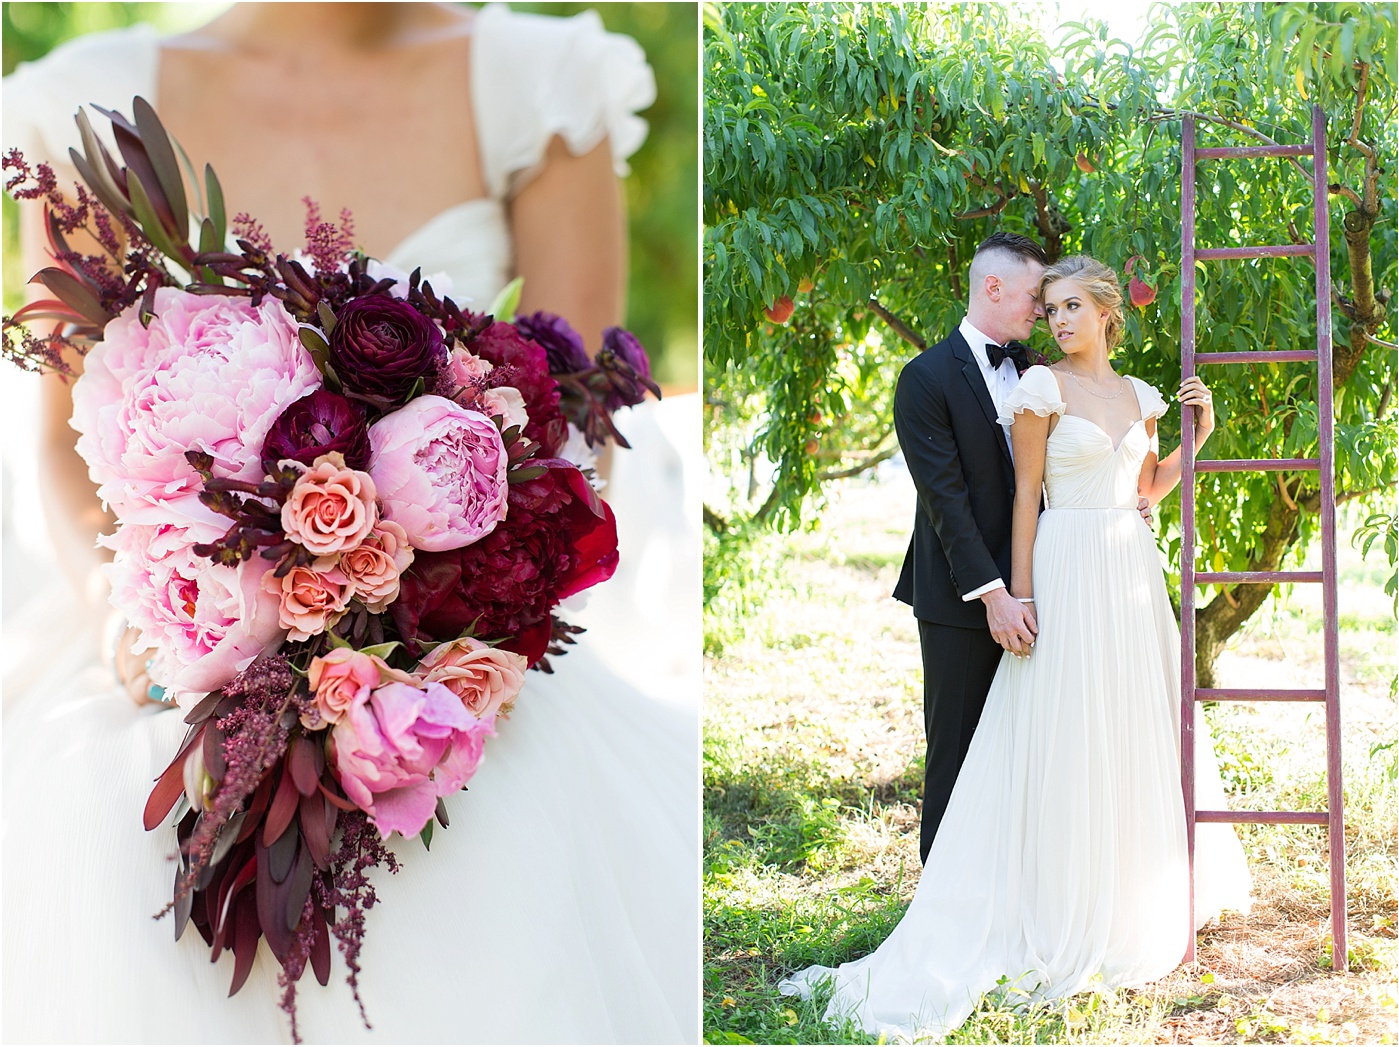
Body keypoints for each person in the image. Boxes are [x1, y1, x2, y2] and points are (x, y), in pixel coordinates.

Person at [2, 4, 698, 1042]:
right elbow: (62, 435)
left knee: (498, 836)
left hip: (449, 638)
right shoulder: (82, 104)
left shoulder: (543, 82)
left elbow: (570, 423)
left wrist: (411, 609)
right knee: (97, 833)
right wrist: (126, 611)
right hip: (156, 630)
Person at [780, 254, 1252, 1039]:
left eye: (1071, 307)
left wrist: (1200, 432)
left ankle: (1123, 888)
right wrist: (1020, 594)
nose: (1058, 321)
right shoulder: (1039, 387)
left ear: (1108, 311)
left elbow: (1148, 489)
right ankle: (1017, 899)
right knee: (1050, 731)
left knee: (1125, 728)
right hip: (1064, 568)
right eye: (1050, 307)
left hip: (1126, 572)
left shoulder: (1141, 396)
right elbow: (1024, 500)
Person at [891, 231, 1152, 862]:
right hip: (962, 594)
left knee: (1032, 747)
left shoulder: (1040, 371)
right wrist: (996, 595)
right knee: (957, 748)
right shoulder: (924, 378)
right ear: (994, 288)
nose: (1043, 311)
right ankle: (944, 898)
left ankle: (1020, 883)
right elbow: (945, 502)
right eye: (1037, 296)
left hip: (1055, 584)